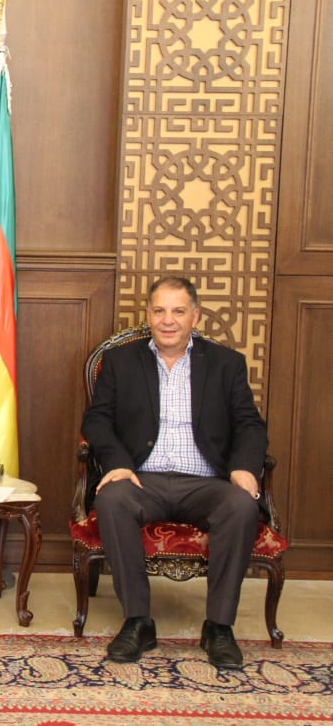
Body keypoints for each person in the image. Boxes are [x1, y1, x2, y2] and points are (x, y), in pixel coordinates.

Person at [81, 276, 267, 669]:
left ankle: (219, 627)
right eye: (160, 310)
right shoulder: (120, 362)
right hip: (141, 480)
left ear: (194, 316)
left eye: (178, 311)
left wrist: (244, 469)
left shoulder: (226, 364)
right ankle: (138, 621)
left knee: (241, 506)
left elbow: (249, 424)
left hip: (206, 483)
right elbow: (97, 421)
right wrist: (117, 463)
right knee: (111, 499)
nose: (168, 320)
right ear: (148, 315)